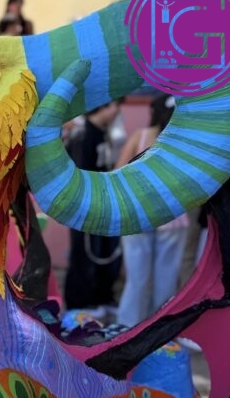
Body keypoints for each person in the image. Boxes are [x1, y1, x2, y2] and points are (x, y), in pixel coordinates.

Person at [115, 95, 189, 327]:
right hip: (173, 215)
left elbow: (117, 173)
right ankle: (159, 329)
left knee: (136, 278)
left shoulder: (140, 136)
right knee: (167, 277)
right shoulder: (183, 143)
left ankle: (128, 328)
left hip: (137, 215)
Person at [63, 99, 125, 317]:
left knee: (105, 253)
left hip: (103, 205)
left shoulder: (104, 133)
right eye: (116, 105)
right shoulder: (83, 135)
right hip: (85, 207)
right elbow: (78, 175)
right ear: (104, 105)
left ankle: (102, 296)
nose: (118, 111)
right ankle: (79, 303)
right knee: (84, 254)